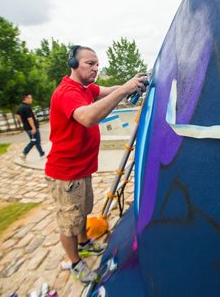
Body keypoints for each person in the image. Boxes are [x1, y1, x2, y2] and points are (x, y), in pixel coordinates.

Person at [45, 45, 148, 283]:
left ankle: (84, 244)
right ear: (73, 64)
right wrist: (124, 90)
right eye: (89, 63)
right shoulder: (67, 92)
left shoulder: (85, 88)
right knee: (69, 222)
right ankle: (75, 262)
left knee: (82, 212)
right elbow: (88, 117)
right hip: (66, 174)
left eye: (97, 64)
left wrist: (130, 84)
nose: (95, 68)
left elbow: (106, 90)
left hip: (81, 169)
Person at [16, 93, 45, 160]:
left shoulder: (20, 107)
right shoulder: (27, 107)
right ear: (26, 98)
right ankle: (40, 154)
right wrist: (33, 127)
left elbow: (17, 115)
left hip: (27, 128)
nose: (31, 99)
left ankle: (25, 153)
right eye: (30, 98)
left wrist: (23, 122)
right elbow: (30, 118)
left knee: (34, 141)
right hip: (32, 128)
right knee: (36, 141)